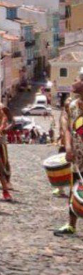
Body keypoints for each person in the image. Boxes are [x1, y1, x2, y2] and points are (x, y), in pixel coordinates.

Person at [54, 70, 83, 236]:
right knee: (75, 187)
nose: (73, 83)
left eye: (77, 80)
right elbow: (70, 128)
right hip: (78, 155)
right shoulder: (73, 105)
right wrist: (68, 147)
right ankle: (71, 224)